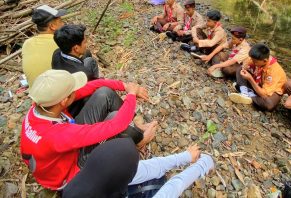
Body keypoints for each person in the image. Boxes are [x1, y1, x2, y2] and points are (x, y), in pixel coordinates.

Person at [20, 71, 213, 196]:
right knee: (115, 121)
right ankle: (139, 141)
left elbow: (92, 86)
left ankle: (137, 137)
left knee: (104, 94)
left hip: (59, 158)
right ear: (63, 100)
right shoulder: (58, 134)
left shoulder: (43, 105)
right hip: (67, 177)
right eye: (72, 91)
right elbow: (117, 125)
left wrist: (125, 86)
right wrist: (131, 95)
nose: (76, 91)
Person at [229, 44, 287, 112]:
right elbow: (247, 64)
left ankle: (248, 94)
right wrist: (244, 67)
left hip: (272, 91)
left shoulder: (274, 71)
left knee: (269, 104)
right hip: (259, 84)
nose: (252, 62)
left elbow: (264, 94)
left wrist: (250, 79)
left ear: (265, 61)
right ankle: (245, 92)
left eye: (255, 62)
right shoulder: (258, 58)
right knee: (240, 70)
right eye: (252, 59)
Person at [22, 5, 66, 87]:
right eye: (60, 21)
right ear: (52, 26)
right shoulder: (61, 42)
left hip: (36, 94)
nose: (63, 24)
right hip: (58, 93)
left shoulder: (26, 43)